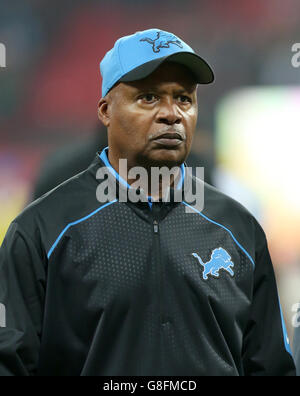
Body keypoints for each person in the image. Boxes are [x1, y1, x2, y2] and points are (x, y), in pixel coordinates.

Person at [0, 28, 295, 376]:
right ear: (106, 110)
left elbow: (271, 364)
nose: (172, 114)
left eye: (184, 98)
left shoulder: (238, 229)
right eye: (149, 98)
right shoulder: (41, 230)